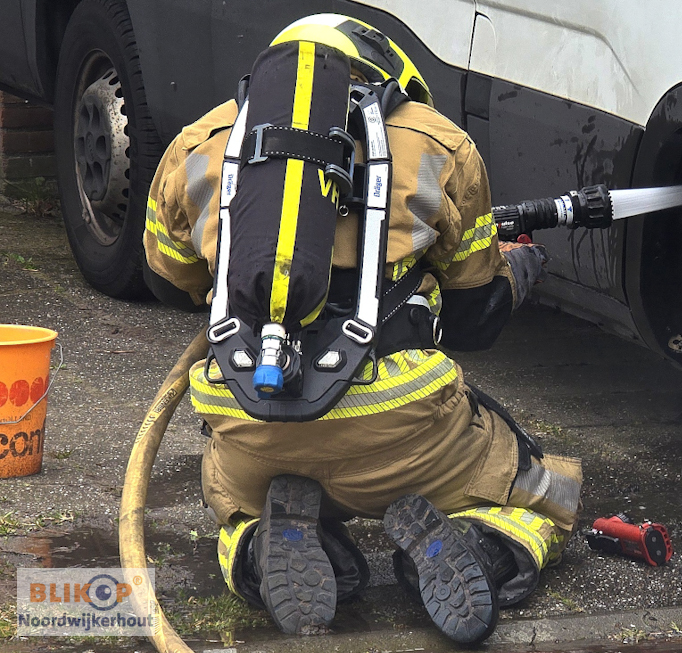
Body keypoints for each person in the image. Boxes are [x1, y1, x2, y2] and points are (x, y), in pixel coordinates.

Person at [143, 14, 582, 644]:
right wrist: (521, 268)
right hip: (402, 428)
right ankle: (482, 545)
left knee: (232, 501)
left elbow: (167, 279)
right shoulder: (439, 142)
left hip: (251, 421)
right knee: (546, 492)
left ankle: (262, 548)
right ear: (388, 71)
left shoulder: (199, 142)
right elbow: (474, 314)